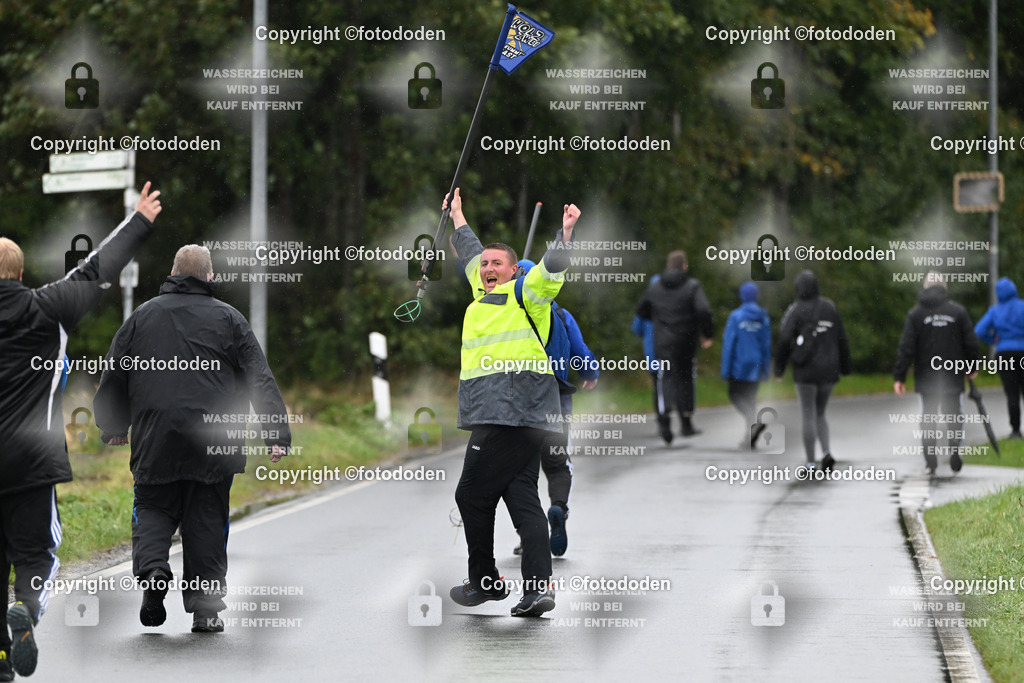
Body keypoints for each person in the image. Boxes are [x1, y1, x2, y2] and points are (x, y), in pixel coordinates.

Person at [0, 182, 161, 679]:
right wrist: (139, 220)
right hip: (31, 460)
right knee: (37, 553)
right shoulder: (48, 307)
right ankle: (26, 608)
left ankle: (1, 658)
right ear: (20, 275)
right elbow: (96, 270)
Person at [93, 244, 291, 633]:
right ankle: (206, 610)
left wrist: (114, 426)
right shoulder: (230, 319)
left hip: (156, 438)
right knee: (207, 518)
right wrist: (275, 434)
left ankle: (154, 571)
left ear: (172, 273)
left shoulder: (142, 316)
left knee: (152, 507)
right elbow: (259, 377)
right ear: (210, 277)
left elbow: (115, 372)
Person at [445, 187, 580, 617]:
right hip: (516, 417)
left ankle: (485, 582)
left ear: (513, 270)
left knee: (470, 494)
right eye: (485, 264)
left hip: (510, 415)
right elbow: (470, 253)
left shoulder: (528, 294)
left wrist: (564, 236)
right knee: (522, 500)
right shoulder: (480, 294)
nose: (487, 268)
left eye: (496, 264)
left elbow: (550, 270)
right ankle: (538, 589)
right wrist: (457, 216)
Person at [512, 260, 599, 558]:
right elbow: (579, 351)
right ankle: (559, 507)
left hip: (517, 406)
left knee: (520, 472)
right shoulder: (560, 314)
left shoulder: (508, 312)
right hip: (556, 403)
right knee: (558, 464)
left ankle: (527, 534)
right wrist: (590, 373)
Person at [894, 272, 980, 474]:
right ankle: (954, 448)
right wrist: (971, 366)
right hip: (952, 374)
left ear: (925, 287)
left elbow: (907, 347)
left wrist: (900, 376)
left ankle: (930, 461)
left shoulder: (916, 314)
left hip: (926, 376)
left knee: (928, 417)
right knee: (954, 414)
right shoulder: (958, 312)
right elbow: (971, 342)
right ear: (944, 287)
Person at [775, 270, 851, 471]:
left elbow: (784, 338)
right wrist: (845, 366)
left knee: (808, 414)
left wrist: (779, 369)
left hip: (805, 371)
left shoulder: (795, 309)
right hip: (829, 370)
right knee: (820, 413)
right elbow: (841, 337)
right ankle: (826, 452)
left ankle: (810, 462)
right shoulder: (829, 307)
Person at [636, 251, 713, 443]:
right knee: (686, 378)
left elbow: (641, 310)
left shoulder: (655, 287)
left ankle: (664, 420)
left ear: (668, 266)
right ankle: (686, 419)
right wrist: (707, 333)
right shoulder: (692, 286)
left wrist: (659, 318)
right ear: (684, 266)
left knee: (666, 378)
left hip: (663, 342)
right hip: (686, 341)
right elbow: (704, 310)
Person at [721, 281, 772, 448]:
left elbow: (729, 344)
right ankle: (750, 438)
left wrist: (726, 369)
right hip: (756, 364)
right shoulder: (763, 317)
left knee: (735, 395)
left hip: (739, 364)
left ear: (742, 296)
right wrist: (765, 369)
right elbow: (766, 345)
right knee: (750, 399)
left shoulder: (736, 317)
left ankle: (754, 423)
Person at [974, 277, 1024, 438]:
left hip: (1004, 353)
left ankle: (1015, 431)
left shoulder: (994, 311)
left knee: (1012, 394)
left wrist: (993, 340)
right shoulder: (1022, 307)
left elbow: (979, 330)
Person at [632, 274, 661, 420]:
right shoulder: (672, 304)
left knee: (657, 386)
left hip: (652, 352)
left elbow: (636, 328)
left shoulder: (645, 307)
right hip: (669, 351)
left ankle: (661, 416)